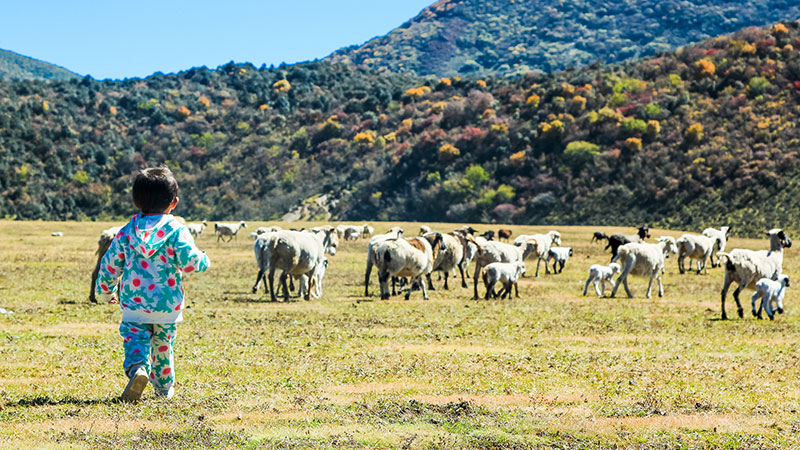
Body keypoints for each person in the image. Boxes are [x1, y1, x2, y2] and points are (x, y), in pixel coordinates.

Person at [95, 166, 210, 402]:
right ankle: (164, 390)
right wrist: (204, 260)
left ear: (136, 201)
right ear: (174, 202)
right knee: (163, 347)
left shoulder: (126, 232)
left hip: (134, 306)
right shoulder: (178, 230)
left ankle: (138, 369)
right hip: (167, 307)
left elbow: (109, 266)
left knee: (135, 342)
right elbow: (190, 262)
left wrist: (105, 292)